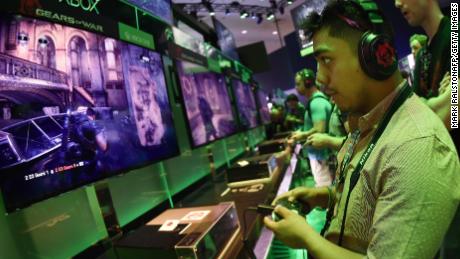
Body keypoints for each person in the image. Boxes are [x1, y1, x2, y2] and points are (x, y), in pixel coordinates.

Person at [264, 1, 460, 258]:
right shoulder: (366, 122)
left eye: (326, 60)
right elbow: (370, 196)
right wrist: (326, 196)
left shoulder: (416, 147)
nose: (320, 78)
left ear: (377, 55)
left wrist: (308, 240)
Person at [395, 0, 458, 150]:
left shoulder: (455, 35)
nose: (397, 3)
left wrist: (426, 104)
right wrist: (439, 99)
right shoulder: (421, 56)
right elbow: (412, 115)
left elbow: (452, 114)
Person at [291, 68, 333, 187]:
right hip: (319, 154)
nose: (296, 87)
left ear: (308, 82)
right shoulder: (315, 101)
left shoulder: (316, 103)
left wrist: (302, 135)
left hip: (320, 155)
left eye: (298, 84)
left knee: (323, 186)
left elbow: (319, 130)